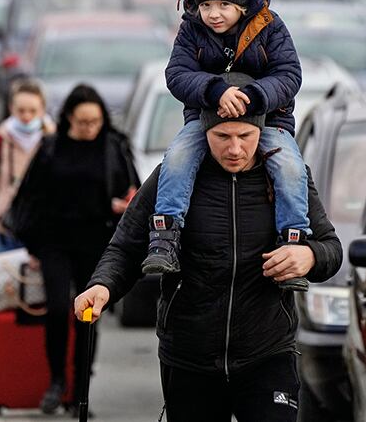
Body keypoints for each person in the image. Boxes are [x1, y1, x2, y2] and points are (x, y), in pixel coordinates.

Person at [74, 89, 342, 422]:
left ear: (263, 131)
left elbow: (331, 248)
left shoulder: (288, 180)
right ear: (203, 132)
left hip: (267, 352)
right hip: (190, 356)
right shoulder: (172, 178)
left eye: (245, 136)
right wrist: (103, 286)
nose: (235, 148)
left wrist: (310, 256)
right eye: (222, 136)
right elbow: (127, 246)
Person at [142, 0, 311, 293]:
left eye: (222, 5)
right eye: (205, 6)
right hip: (205, 121)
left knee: (290, 167)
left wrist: (253, 96)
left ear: (242, 3)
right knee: (178, 156)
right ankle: (165, 235)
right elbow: (176, 74)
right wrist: (214, 90)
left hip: (270, 121)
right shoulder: (191, 31)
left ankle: (293, 240)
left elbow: (289, 74)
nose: (213, 15)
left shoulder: (270, 27)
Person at [6, 84, 139, 415]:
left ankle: (81, 388)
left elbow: (133, 192)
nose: (89, 128)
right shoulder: (51, 148)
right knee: (55, 309)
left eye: (95, 122)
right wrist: (31, 242)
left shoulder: (113, 146)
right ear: (67, 118)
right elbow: (28, 197)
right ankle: (56, 381)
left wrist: (123, 204)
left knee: (88, 316)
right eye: (82, 122)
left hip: (97, 241)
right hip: (54, 240)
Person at [0, 79, 54, 253]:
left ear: (42, 110)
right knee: (6, 279)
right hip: (8, 227)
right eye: (21, 111)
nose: (27, 117)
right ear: (11, 108)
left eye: (33, 111)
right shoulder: (0, 140)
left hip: (43, 229)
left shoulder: (53, 141)